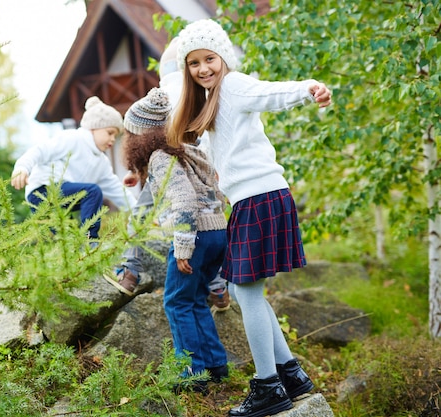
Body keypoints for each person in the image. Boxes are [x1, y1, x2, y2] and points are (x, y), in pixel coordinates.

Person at [170, 18, 332, 417]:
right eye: (194, 63)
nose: (204, 68)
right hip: (255, 199)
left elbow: (270, 93)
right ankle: (290, 374)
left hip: (259, 198)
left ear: (223, 57)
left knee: (246, 293)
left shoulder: (235, 85)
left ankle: (268, 386)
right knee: (248, 293)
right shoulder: (211, 100)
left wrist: (309, 89)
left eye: (210, 58)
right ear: (186, 70)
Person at [108, 38, 232, 313]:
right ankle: (218, 286)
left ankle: (129, 272)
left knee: (140, 216)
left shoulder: (168, 92)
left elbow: (146, 137)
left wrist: (136, 170)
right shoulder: (207, 89)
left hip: (170, 166)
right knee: (213, 221)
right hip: (201, 167)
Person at [121, 87, 230, 393]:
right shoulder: (185, 151)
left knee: (176, 303)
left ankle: (190, 374)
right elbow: (210, 190)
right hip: (217, 232)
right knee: (195, 299)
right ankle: (215, 365)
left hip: (194, 236)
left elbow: (183, 201)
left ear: (141, 135)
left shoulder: (159, 158)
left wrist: (183, 247)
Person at [11, 96, 136, 241]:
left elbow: (117, 191)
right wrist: (22, 168)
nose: (113, 139)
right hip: (43, 191)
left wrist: (140, 213)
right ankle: (90, 240)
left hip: (64, 201)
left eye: (116, 135)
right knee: (93, 191)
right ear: (93, 127)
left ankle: (78, 250)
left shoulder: (102, 163)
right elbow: (40, 150)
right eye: (109, 133)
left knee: (66, 240)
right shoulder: (72, 138)